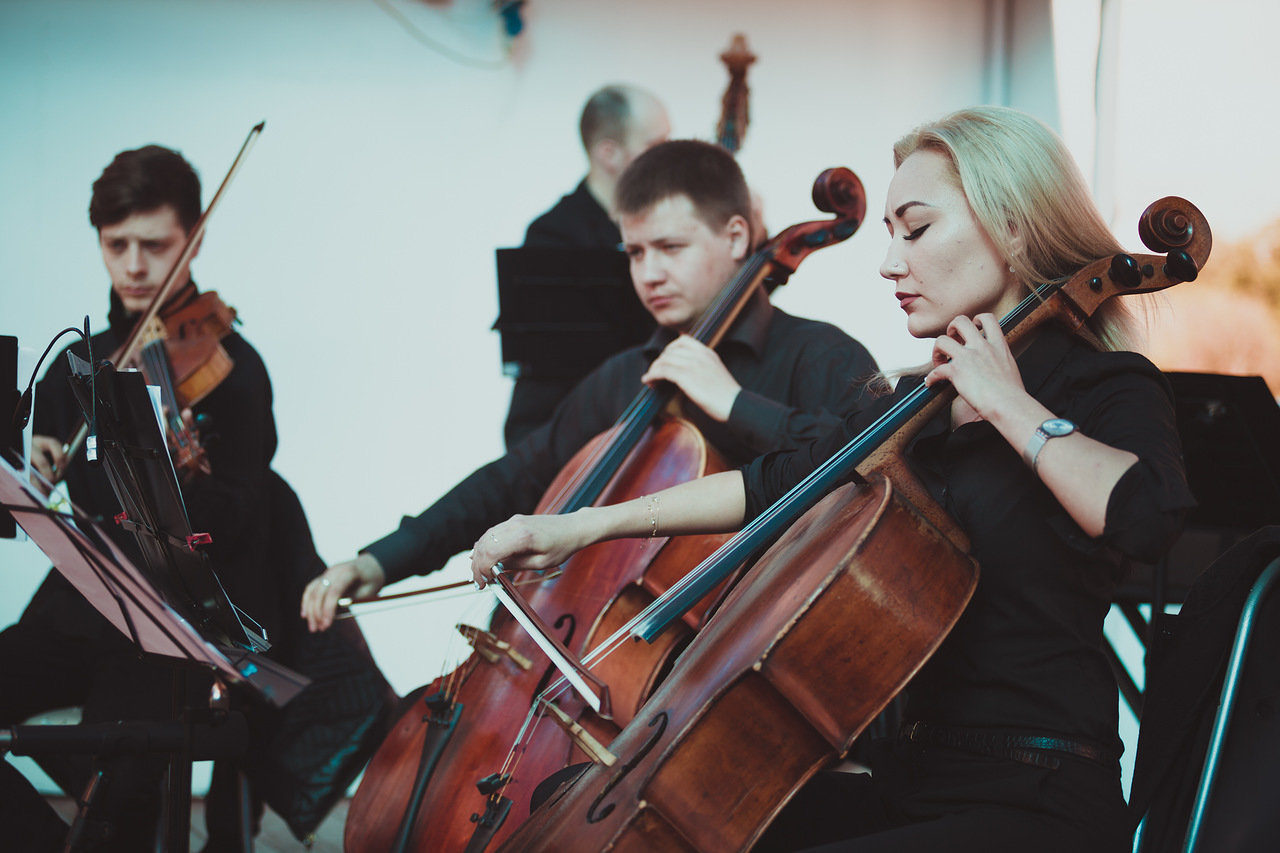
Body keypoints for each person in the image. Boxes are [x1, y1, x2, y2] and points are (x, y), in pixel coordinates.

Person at [468, 106, 1195, 852]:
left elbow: (1142, 513)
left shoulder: (1105, 386)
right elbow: (773, 482)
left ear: (1013, 228)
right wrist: (572, 525)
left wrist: (1007, 402)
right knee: (596, 810)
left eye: (914, 230)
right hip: (908, 781)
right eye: (887, 235)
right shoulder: (918, 403)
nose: (889, 263)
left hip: (1032, 801)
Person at [302, 138, 879, 632]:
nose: (649, 273)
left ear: (735, 237)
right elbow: (515, 478)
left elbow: (870, 468)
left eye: (671, 248)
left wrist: (735, 403)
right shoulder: (624, 376)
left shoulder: (822, 355)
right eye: (634, 252)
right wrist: (380, 562)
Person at [0, 145, 280, 852]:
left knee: (121, 784)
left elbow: (239, 519)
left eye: (153, 245)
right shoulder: (77, 364)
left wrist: (181, 474)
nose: (132, 266)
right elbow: (55, 489)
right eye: (115, 243)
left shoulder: (235, 374)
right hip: (79, 606)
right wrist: (39, 465)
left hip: (169, 624)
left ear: (195, 238)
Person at [504, 84, 672, 448]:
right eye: (655, 146)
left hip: (636, 425)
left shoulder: (667, 223)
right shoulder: (553, 236)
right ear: (609, 154)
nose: (669, 159)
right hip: (560, 433)